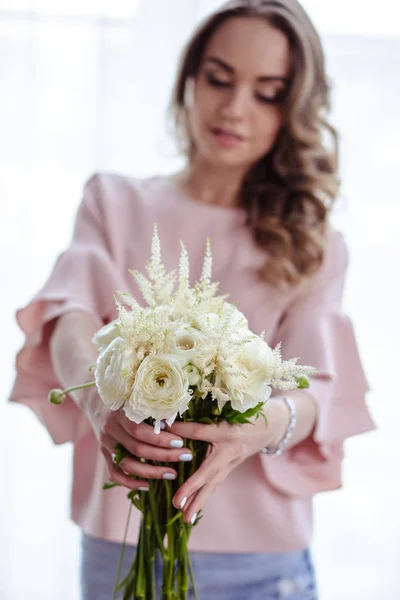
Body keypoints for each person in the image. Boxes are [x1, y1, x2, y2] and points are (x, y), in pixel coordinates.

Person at [9, 1, 375, 598]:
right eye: (219, 79)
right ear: (189, 78)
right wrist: (102, 405)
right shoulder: (113, 201)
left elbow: (318, 389)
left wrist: (262, 427)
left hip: (260, 561)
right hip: (121, 543)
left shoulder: (314, 244)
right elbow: (71, 320)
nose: (233, 108)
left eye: (268, 92)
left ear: (295, 108)